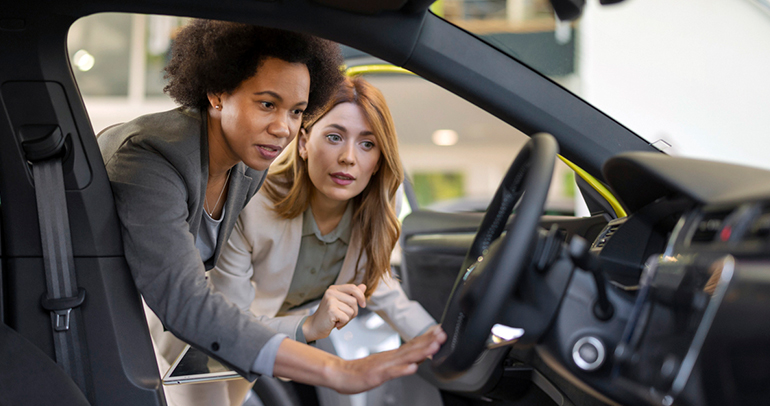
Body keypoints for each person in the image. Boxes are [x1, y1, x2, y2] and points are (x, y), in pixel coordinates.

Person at [97, 19, 445, 405]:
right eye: (267, 104)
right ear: (217, 92)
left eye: (296, 112)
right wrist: (337, 370)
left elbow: (383, 288)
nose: (283, 128)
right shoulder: (151, 158)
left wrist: (442, 344)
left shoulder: (247, 168)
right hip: (132, 342)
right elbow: (186, 300)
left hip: (216, 345)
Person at [173, 76, 437, 403]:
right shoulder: (252, 203)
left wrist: (440, 343)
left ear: (378, 159)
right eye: (334, 137)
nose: (349, 158)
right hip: (193, 344)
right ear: (302, 143)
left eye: (367, 144)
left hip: (262, 345)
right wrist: (308, 326)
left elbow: (380, 288)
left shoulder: (378, 210)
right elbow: (227, 321)